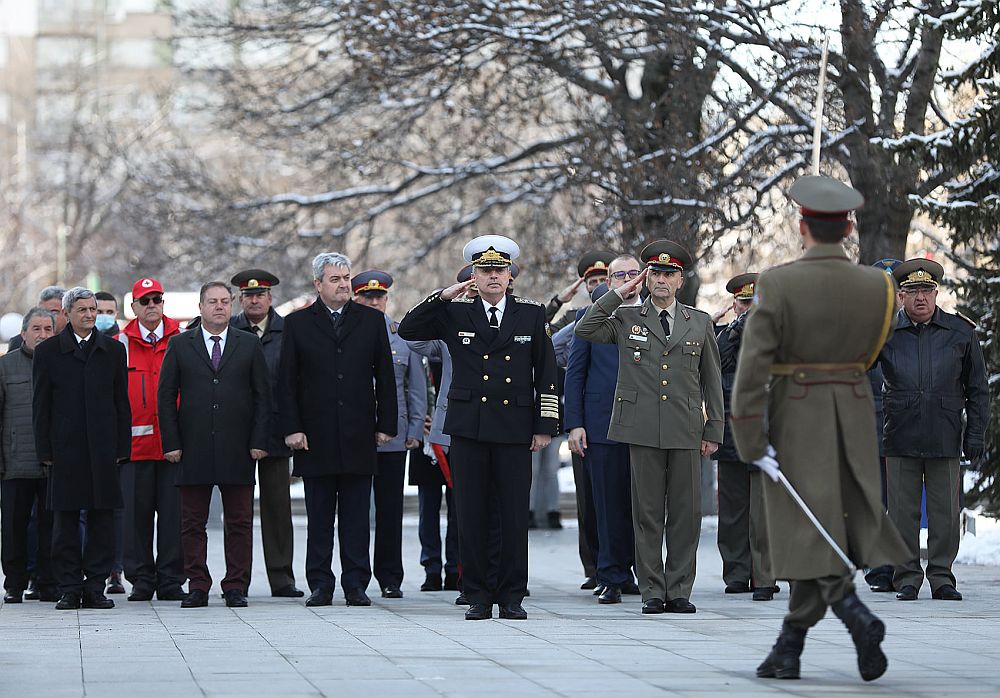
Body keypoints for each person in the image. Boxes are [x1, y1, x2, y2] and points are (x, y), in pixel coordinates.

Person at [730, 175, 909, 682]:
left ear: (802, 225)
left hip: (797, 415)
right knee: (828, 525)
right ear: (849, 226)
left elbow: (753, 366)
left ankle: (854, 615)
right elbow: (872, 352)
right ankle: (789, 647)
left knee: (805, 524)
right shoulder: (880, 285)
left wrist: (748, 436)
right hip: (854, 411)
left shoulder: (779, 283)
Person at [398, 234, 559, 620]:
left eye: (499, 270)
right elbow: (408, 329)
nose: (492, 277)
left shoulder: (531, 315)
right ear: (473, 275)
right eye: (484, 270)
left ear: (510, 276)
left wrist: (545, 426)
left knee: (513, 513)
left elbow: (548, 373)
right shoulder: (456, 313)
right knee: (470, 513)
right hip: (469, 427)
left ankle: (511, 594)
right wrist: (445, 294)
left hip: (514, 427)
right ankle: (477, 594)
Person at [576, 240, 723, 614]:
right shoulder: (626, 319)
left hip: (686, 427)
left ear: (680, 280)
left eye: (668, 274)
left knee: (686, 514)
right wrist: (617, 293)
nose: (661, 280)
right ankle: (652, 590)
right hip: (641, 428)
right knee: (647, 513)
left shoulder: (700, 322)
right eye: (655, 273)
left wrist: (714, 430)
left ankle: (679, 590)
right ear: (646, 278)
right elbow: (587, 329)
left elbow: (712, 381)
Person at [278, 253, 396, 608]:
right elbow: (286, 382)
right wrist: (292, 428)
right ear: (318, 284)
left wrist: (386, 424)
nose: (344, 284)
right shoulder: (297, 324)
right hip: (314, 436)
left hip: (359, 432)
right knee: (319, 517)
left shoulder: (371, 321)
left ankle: (356, 584)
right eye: (335, 279)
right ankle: (320, 584)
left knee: (358, 516)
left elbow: (386, 377)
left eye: (346, 278)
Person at [879, 258, 990, 602]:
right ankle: (907, 576)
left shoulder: (960, 332)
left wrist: (974, 435)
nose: (921, 298)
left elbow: (978, 389)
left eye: (927, 290)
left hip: (944, 435)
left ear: (936, 293)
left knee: (944, 514)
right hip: (900, 436)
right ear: (901, 297)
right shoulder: (886, 335)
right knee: (901, 515)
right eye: (912, 291)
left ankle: (942, 577)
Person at [157, 282, 270, 608]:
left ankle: (235, 585)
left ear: (231, 305)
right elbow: (166, 397)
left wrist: (259, 440)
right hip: (192, 447)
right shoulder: (180, 345)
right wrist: (172, 442)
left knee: (240, 522)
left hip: (239, 447)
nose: (219, 307)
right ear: (201, 306)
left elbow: (263, 396)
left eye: (224, 301)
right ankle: (198, 585)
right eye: (212, 302)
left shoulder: (248, 344)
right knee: (192, 523)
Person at [32, 287, 131, 610]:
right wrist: (45, 450)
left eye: (94, 310)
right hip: (66, 450)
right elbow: (41, 406)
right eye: (83, 310)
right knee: (65, 523)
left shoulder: (113, 352)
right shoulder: (49, 353)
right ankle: (69, 587)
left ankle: (95, 586)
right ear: (66, 314)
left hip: (103, 450)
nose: (90, 315)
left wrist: (121, 446)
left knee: (103, 520)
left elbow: (121, 404)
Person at [565, 255, 646, 604]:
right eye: (618, 275)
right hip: (602, 424)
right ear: (608, 281)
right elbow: (575, 373)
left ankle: (644, 573)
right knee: (607, 502)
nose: (626, 280)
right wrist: (575, 424)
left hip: (648, 424)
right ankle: (610, 574)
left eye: (632, 274)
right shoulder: (589, 317)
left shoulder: (656, 316)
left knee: (644, 505)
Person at [351, 270, 426, 599]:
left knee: (390, 509)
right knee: (354, 509)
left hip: (394, 435)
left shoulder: (402, 336)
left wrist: (413, 430)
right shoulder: (348, 332)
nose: (373, 302)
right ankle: (356, 576)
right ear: (356, 299)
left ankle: (390, 576)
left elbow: (416, 389)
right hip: (354, 434)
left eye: (379, 297)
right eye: (367, 297)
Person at [230, 269, 303, 599]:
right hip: (237, 434)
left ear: (271, 298)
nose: (254, 300)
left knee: (277, 507)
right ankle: (237, 580)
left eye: (260, 295)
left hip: (275, 431)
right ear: (241, 300)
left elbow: (297, 383)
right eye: (248, 295)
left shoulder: (288, 331)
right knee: (238, 510)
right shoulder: (229, 330)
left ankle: (281, 577)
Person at [117, 278, 187, 602]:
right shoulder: (120, 344)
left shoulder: (182, 340)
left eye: (156, 299)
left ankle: (171, 579)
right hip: (134, 450)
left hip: (174, 448)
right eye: (144, 301)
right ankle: (142, 580)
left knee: (175, 518)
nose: (151, 306)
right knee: (135, 520)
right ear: (133, 307)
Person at [711, 272, 777, 601]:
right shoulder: (724, 335)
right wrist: (737, 327)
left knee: (765, 512)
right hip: (731, 430)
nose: (749, 309)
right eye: (743, 303)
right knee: (734, 510)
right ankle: (736, 571)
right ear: (734, 305)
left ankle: (765, 575)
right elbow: (718, 363)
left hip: (767, 433)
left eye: (755, 303)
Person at [1, 309, 58, 603]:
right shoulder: (6, 366)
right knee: (13, 527)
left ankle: (48, 582)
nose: (43, 334)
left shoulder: (62, 363)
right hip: (16, 462)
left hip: (53, 463)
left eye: (48, 329)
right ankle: (14, 583)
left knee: (52, 526)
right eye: (36, 328)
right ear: (23, 334)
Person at [863, 258, 902, 594]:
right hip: (871, 429)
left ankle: (904, 567)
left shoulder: (916, 325)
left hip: (909, 427)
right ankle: (880, 568)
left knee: (901, 501)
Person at [8, 286, 67, 352]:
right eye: (42, 311)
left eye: (53, 312)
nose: (47, 316)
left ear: (67, 314)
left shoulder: (77, 340)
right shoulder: (18, 342)